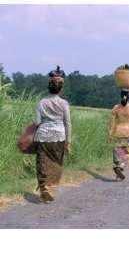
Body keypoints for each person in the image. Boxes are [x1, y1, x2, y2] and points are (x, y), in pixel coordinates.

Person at [34, 66, 72, 203]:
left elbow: (37, 122)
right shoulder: (64, 103)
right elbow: (68, 123)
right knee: (56, 162)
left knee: (42, 162)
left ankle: (44, 186)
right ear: (60, 89)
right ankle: (49, 187)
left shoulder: (41, 102)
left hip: (43, 136)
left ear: (48, 88)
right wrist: (68, 142)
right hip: (59, 137)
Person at [109, 89, 129, 181]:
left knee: (118, 152)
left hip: (118, 132)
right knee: (128, 154)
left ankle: (118, 170)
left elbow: (112, 123)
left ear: (121, 95)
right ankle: (121, 166)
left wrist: (110, 134)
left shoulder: (116, 108)